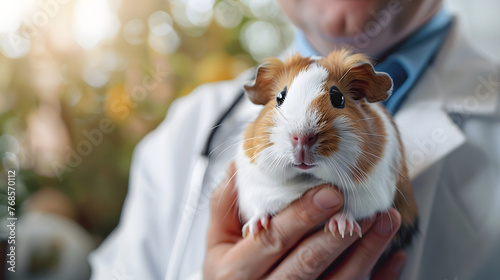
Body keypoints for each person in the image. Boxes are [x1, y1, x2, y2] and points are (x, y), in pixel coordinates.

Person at [89, 0, 500, 279]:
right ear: (269, 92)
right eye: (281, 99)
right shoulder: (188, 127)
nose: (302, 136)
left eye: (337, 100)